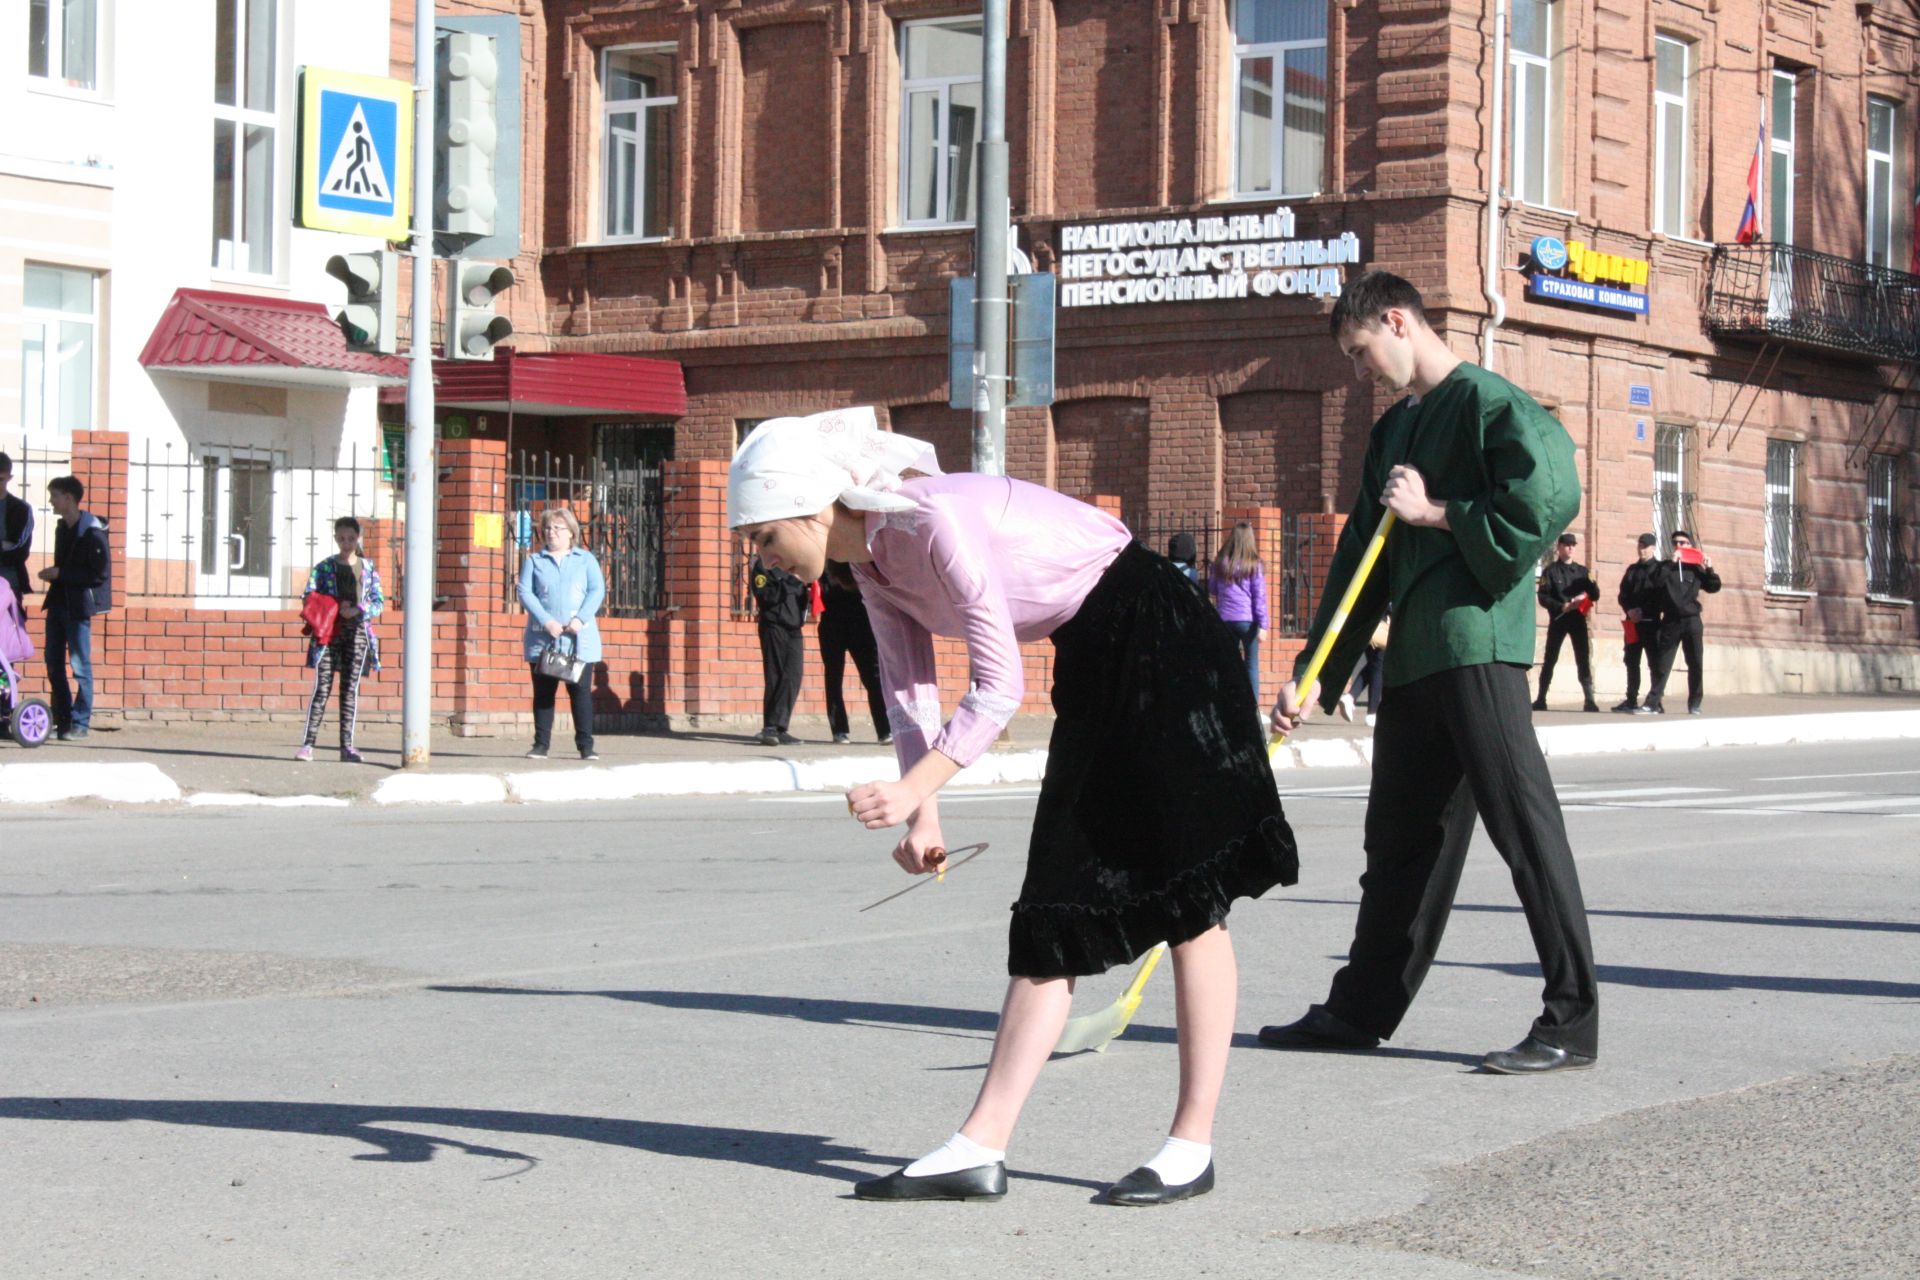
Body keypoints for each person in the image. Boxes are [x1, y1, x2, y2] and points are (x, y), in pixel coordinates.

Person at [729, 408, 1296, 1206]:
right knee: (1056, 903)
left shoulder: (932, 520)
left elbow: (999, 687)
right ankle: (979, 1144)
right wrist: (923, 819)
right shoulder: (870, 567)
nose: (767, 561)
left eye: (763, 538)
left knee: (1190, 901)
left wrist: (914, 787)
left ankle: (1189, 1145)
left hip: (1164, 643)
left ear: (815, 507)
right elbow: (908, 694)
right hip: (1096, 659)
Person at [1261, 271, 1599, 1075]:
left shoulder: (1488, 403)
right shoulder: (1393, 433)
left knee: (1525, 831)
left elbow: (1551, 492)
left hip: (1477, 643)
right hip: (1414, 657)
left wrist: (1440, 512)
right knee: (1399, 845)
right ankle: (1361, 1009)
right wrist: (1315, 673)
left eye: (1362, 349)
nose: (1360, 369)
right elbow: (1360, 565)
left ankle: (1571, 1019)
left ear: (1398, 321)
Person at [518, 506, 606, 760]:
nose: (551, 532)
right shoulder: (534, 561)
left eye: (557, 528)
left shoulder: (585, 559)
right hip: (544, 638)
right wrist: (546, 621)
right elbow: (525, 592)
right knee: (544, 693)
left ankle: (586, 746)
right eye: (547, 528)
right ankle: (541, 744)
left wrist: (579, 619)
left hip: (578, 639)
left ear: (571, 533)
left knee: (580, 693)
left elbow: (596, 590)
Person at [298, 516, 384, 763]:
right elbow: (308, 597)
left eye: (351, 538)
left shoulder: (368, 569)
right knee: (322, 687)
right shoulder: (324, 567)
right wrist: (337, 606)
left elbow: (379, 602)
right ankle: (308, 745)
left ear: (358, 539)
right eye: (341, 538)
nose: (346, 544)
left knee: (349, 689)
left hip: (357, 632)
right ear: (335, 538)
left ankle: (347, 746)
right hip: (328, 632)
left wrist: (358, 609)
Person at [37, 476, 110, 741]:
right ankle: (64, 719)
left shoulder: (92, 531)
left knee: (80, 665)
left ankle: (80, 723)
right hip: (57, 605)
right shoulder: (63, 528)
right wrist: (58, 575)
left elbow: (98, 574)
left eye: (54, 495)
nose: (51, 501)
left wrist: (60, 573)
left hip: (77, 608)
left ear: (68, 498)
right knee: (53, 663)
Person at [1639, 529, 1721, 716]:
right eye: (1675, 542)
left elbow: (1713, 587)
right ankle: (1652, 703)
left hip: (1692, 621)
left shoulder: (1696, 568)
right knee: (1662, 663)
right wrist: (1671, 563)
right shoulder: (1665, 567)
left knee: (1695, 663)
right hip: (1671, 620)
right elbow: (1654, 583)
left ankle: (1694, 703)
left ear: (1690, 545)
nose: (1679, 546)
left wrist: (1709, 568)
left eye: (1683, 543)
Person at [818, 560, 890, 745]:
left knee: (873, 677)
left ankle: (884, 730)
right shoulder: (825, 565)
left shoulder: (858, 561)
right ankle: (839, 730)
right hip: (832, 623)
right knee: (833, 677)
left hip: (860, 623)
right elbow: (821, 592)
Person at [1532, 532, 1600, 712]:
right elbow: (1543, 596)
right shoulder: (1550, 571)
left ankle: (1589, 700)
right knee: (1550, 659)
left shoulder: (1582, 572)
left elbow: (1595, 594)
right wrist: (1561, 606)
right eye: (1567, 545)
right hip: (1559, 619)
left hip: (1578, 619)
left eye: (1573, 545)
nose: (1570, 548)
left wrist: (1586, 593)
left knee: (1583, 658)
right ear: (1559, 547)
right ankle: (1541, 698)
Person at [750, 553, 808, 746]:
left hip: (794, 627)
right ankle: (771, 727)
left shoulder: (793, 566)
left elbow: (802, 597)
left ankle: (780, 726)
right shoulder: (763, 567)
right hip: (774, 625)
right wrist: (790, 582)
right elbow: (766, 596)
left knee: (793, 675)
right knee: (775, 675)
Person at [1208, 523, 1267, 702]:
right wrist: (1263, 625)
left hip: (1225, 619)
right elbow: (1259, 597)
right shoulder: (1254, 565)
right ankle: (1253, 706)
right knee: (1251, 664)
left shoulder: (1221, 563)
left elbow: (1212, 589)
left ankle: (1228, 703)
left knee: (1228, 664)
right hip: (1247, 621)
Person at [1612, 532, 1660, 712]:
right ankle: (1631, 698)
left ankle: (1656, 701)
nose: (1642, 550)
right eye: (1640, 546)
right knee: (1631, 661)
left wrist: (1644, 611)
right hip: (1632, 624)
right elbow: (1623, 594)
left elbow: (1660, 596)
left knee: (1654, 663)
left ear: (1654, 548)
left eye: (1646, 546)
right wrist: (1630, 610)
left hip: (1651, 623)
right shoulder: (1632, 570)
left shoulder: (1659, 569)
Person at [0, 452, 33, 604]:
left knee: (10, 627)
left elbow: (20, 550)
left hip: (9, 581)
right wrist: (3, 545)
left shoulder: (21, 509)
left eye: (0, 479)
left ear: (9, 478)